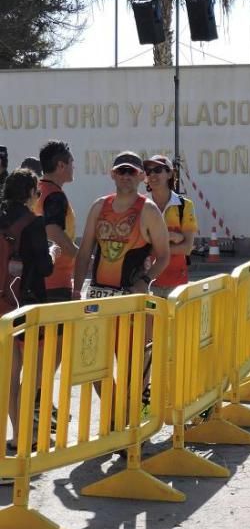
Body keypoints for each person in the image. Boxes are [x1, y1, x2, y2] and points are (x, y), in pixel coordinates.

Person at [1, 169, 56, 467]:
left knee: (9, 373)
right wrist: (54, 253)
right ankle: (27, 434)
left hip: (1, 304)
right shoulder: (33, 223)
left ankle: (18, 434)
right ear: (32, 192)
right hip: (25, 305)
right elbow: (45, 268)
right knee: (32, 371)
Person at [72, 152, 171, 299]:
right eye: (121, 171)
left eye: (131, 171)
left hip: (131, 298)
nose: (126, 176)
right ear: (113, 174)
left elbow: (164, 256)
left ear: (142, 176)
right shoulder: (99, 207)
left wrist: (144, 282)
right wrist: (76, 291)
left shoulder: (149, 210)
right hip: (98, 297)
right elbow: (84, 253)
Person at [144, 155, 198, 298]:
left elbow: (187, 248)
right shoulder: (140, 205)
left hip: (177, 284)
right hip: (146, 283)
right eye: (148, 171)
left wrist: (155, 245)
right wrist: (173, 237)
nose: (152, 174)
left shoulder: (185, 205)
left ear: (169, 173)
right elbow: (137, 247)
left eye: (157, 169)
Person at [36, 140, 78, 303]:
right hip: (56, 282)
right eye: (71, 163)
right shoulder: (55, 196)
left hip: (36, 280)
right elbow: (53, 232)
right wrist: (82, 258)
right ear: (61, 165)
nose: (73, 167)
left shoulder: (36, 191)